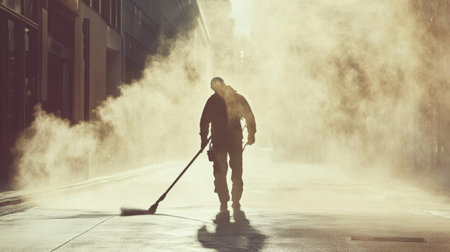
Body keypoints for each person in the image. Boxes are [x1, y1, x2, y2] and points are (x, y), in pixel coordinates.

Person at [200, 77, 256, 223]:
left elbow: (204, 121)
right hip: (228, 141)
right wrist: (251, 134)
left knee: (225, 172)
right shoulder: (234, 98)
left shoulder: (218, 100)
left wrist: (204, 139)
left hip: (226, 140)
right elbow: (249, 117)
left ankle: (228, 201)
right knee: (229, 172)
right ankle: (230, 201)